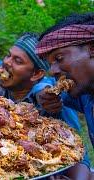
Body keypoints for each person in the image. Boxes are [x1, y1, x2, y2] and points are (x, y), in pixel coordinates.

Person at [0, 33, 91, 177]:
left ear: (36, 74)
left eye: (18, 61)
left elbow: (78, 153)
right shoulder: (1, 79)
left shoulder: (53, 100)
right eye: (8, 55)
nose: (7, 62)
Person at [35, 13, 94, 179]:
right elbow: (45, 87)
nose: (53, 70)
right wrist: (43, 94)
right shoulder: (86, 96)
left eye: (59, 58)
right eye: (50, 63)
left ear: (92, 49)